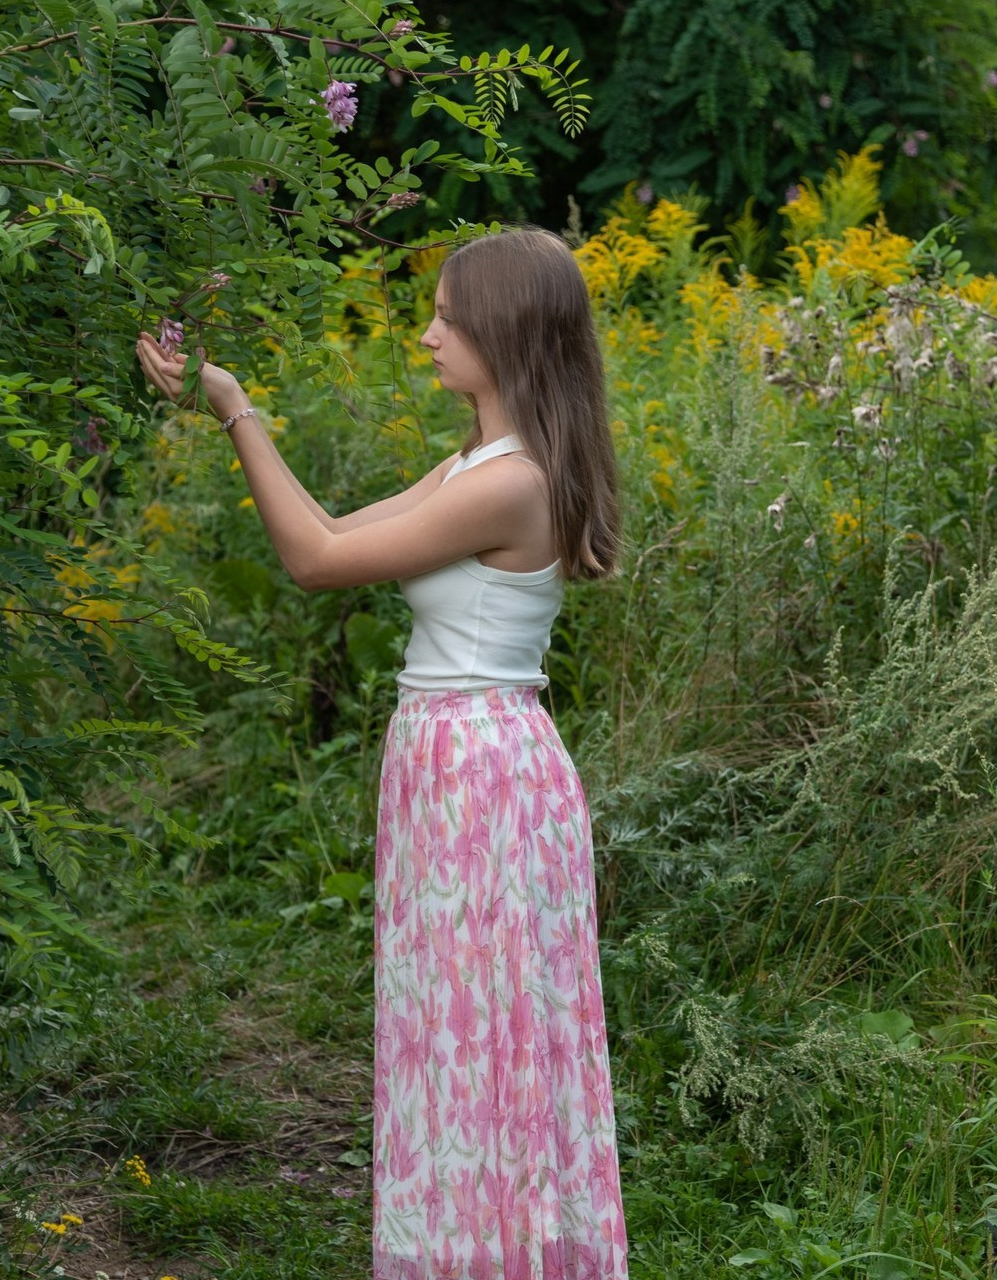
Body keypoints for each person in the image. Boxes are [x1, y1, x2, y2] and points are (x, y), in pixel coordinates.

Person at [136, 227, 629, 1280]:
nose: (425, 333)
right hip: (461, 764)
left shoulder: (510, 483)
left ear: (501, 330)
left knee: (477, 1037)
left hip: (481, 772)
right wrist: (223, 391)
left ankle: (486, 1254)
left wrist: (235, 408)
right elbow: (324, 527)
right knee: (462, 1032)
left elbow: (313, 563)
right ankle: (477, 1248)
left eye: (446, 317)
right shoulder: (474, 467)